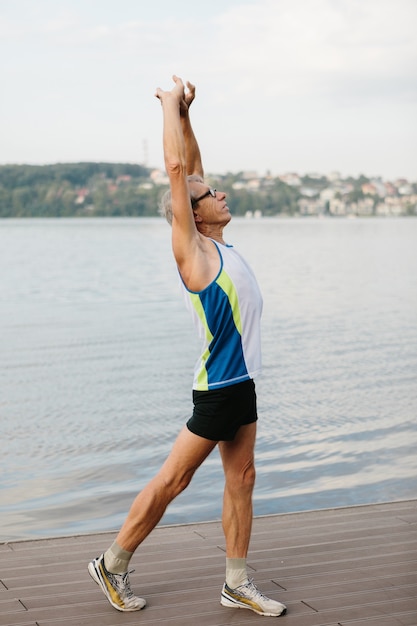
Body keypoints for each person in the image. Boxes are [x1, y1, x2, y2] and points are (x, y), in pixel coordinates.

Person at [87, 75, 287, 618]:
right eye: (208, 196)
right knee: (174, 479)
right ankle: (112, 562)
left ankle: (236, 582)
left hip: (241, 384)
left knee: (242, 479)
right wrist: (168, 105)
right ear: (193, 215)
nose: (219, 193)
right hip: (217, 391)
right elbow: (179, 173)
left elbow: (191, 167)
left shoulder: (218, 241)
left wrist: (188, 117)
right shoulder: (194, 253)